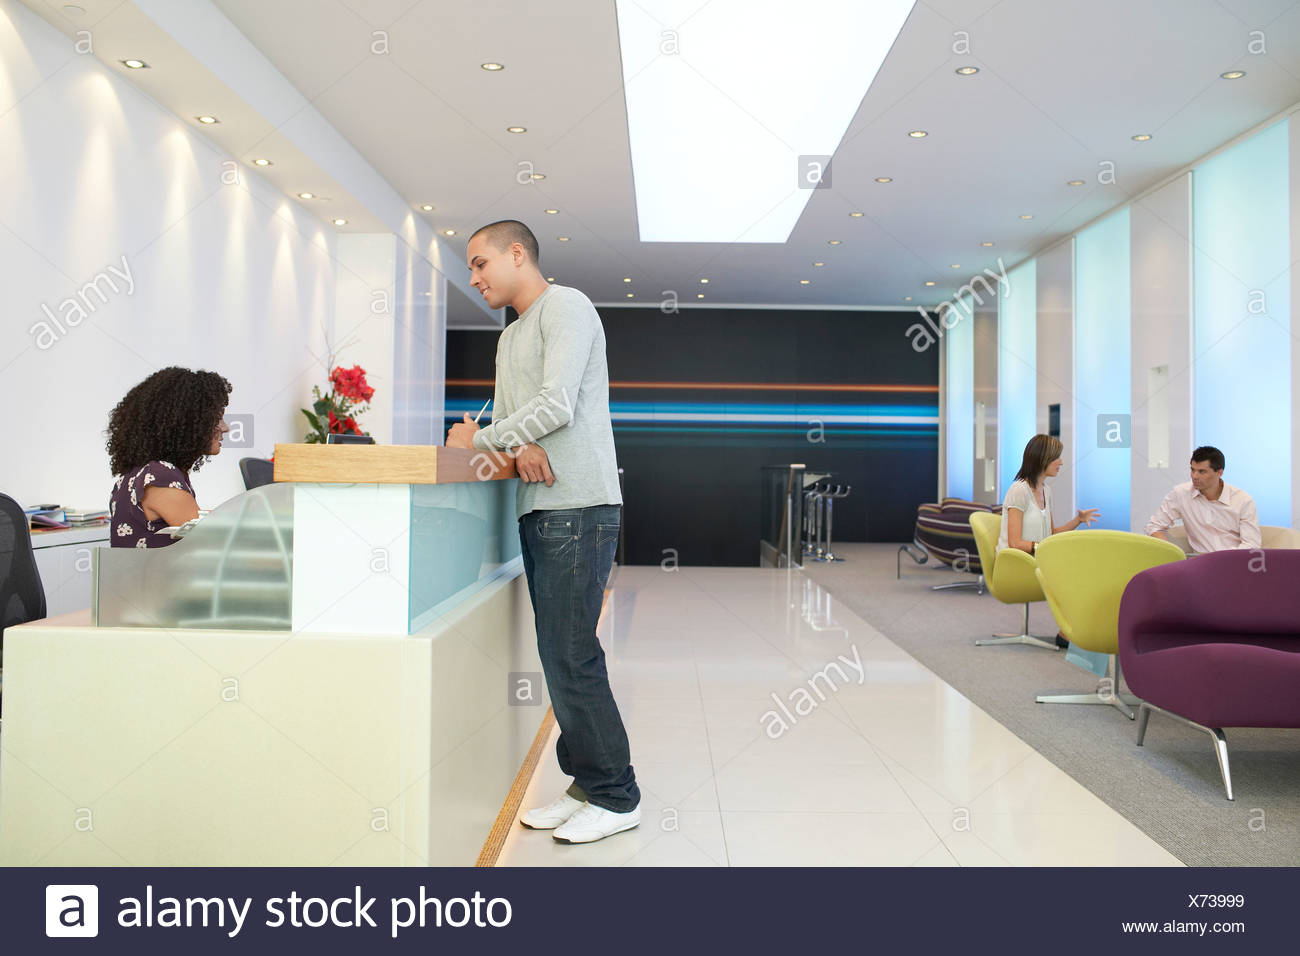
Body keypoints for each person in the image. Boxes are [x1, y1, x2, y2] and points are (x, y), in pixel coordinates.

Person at [446, 220, 638, 845]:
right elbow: (513, 418)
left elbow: (557, 404)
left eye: (480, 264)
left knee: (572, 654)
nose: (473, 278)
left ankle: (617, 795)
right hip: (540, 506)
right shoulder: (511, 336)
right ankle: (585, 783)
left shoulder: (568, 306)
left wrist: (482, 440)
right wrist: (511, 437)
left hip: (577, 504)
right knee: (560, 655)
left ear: (517, 254)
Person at [105, 367, 231, 548]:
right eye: (217, 419)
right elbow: (211, 546)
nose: (225, 428)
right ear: (187, 423)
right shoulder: (160, 476)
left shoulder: (144, 473)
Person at [998, 434, 1100, 648]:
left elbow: (1051, 535)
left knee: (1085, 569)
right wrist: (1043, 548)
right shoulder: (1019, 490)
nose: (1061, 462)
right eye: (1056, 458)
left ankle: (1071, 630)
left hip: (1037, 558)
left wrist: (1078, 520)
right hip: (1016, 563)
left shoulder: (1047, 491)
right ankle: (1067, 633)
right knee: (1073, 573)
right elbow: (1015, 543)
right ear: (1041, 459)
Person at [1144, 446, 1261, 552]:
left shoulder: (1243, 500)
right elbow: (1154, 526)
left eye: (1202, 472)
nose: (1194, 476)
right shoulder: (1181, 494)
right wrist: (1171, 552)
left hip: (1233, 563)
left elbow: (1251, 545)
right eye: (1192, 470)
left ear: (1219, 473)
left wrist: (1221, 559)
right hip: (1199, 565)